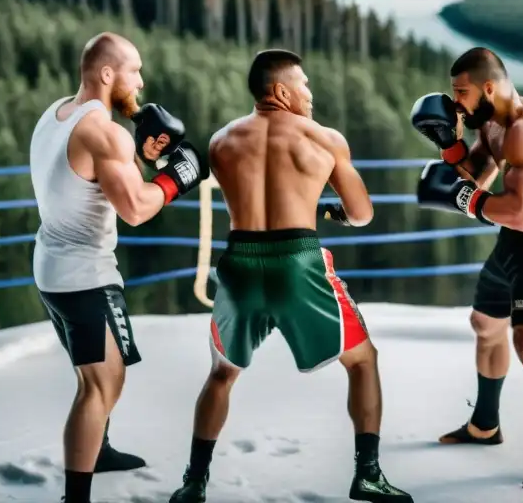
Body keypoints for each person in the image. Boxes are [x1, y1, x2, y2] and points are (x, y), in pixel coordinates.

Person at [167, 48, 413, 503]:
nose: (311, 93)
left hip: (239, 264)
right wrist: (330, 211)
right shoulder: (323, 139)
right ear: (281, 91)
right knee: (363, 361)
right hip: (297, 262)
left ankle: (193, 483)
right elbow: (362, 214)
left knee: (222, 373)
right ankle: (369, 474)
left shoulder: (222, 141)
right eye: (304, 84)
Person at [29, 32, 208, 503]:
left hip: (50, 263)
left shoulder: (58, 113)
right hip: (83, 275)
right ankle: (77, 497)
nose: (142, 82)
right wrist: (176, 177)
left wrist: (142, 156)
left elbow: (92, 177)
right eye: (135, 71)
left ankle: (99, 449)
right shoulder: (103, 132)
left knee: (92, 374)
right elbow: (134, 208)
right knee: (102, 383)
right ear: (108, 74)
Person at [410, 46, 523, 491]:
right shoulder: (491, 121)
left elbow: (522, 212)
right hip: (514, 242)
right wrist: (449, 148)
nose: (455, 102)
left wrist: (464, 200)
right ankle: (485, 425)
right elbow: (478, 175)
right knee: (484, 322)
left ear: (488, 87)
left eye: (462, 92)